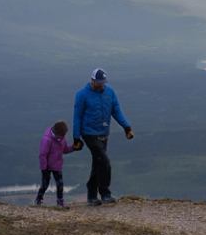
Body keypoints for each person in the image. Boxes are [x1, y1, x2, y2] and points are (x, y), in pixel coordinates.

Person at [71, 67, 134, 206]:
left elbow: (116, 111)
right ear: (92, 80)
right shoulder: (82, 95)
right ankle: (105, 193)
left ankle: (92, 195)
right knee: (104, 161)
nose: (101, 85)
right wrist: (76, 138)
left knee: (98, 163)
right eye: (98, 82)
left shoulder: (110, 92)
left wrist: (127, 127)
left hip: (104, 132)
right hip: (89, 133)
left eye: (103, 82)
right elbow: (77, 117)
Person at [36, 120, 79, 208]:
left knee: (60, 184)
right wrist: (44, 168)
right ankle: (38, 200)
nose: (63, 136)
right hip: (46, 166)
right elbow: (42, 155)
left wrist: (74, 148)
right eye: (62, 135)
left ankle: (60, 203)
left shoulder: (61, 138)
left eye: (64, 135)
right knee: (45, 184)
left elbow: (65, 150)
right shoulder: (47, 139)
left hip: (57, 165)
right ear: (56, 132)